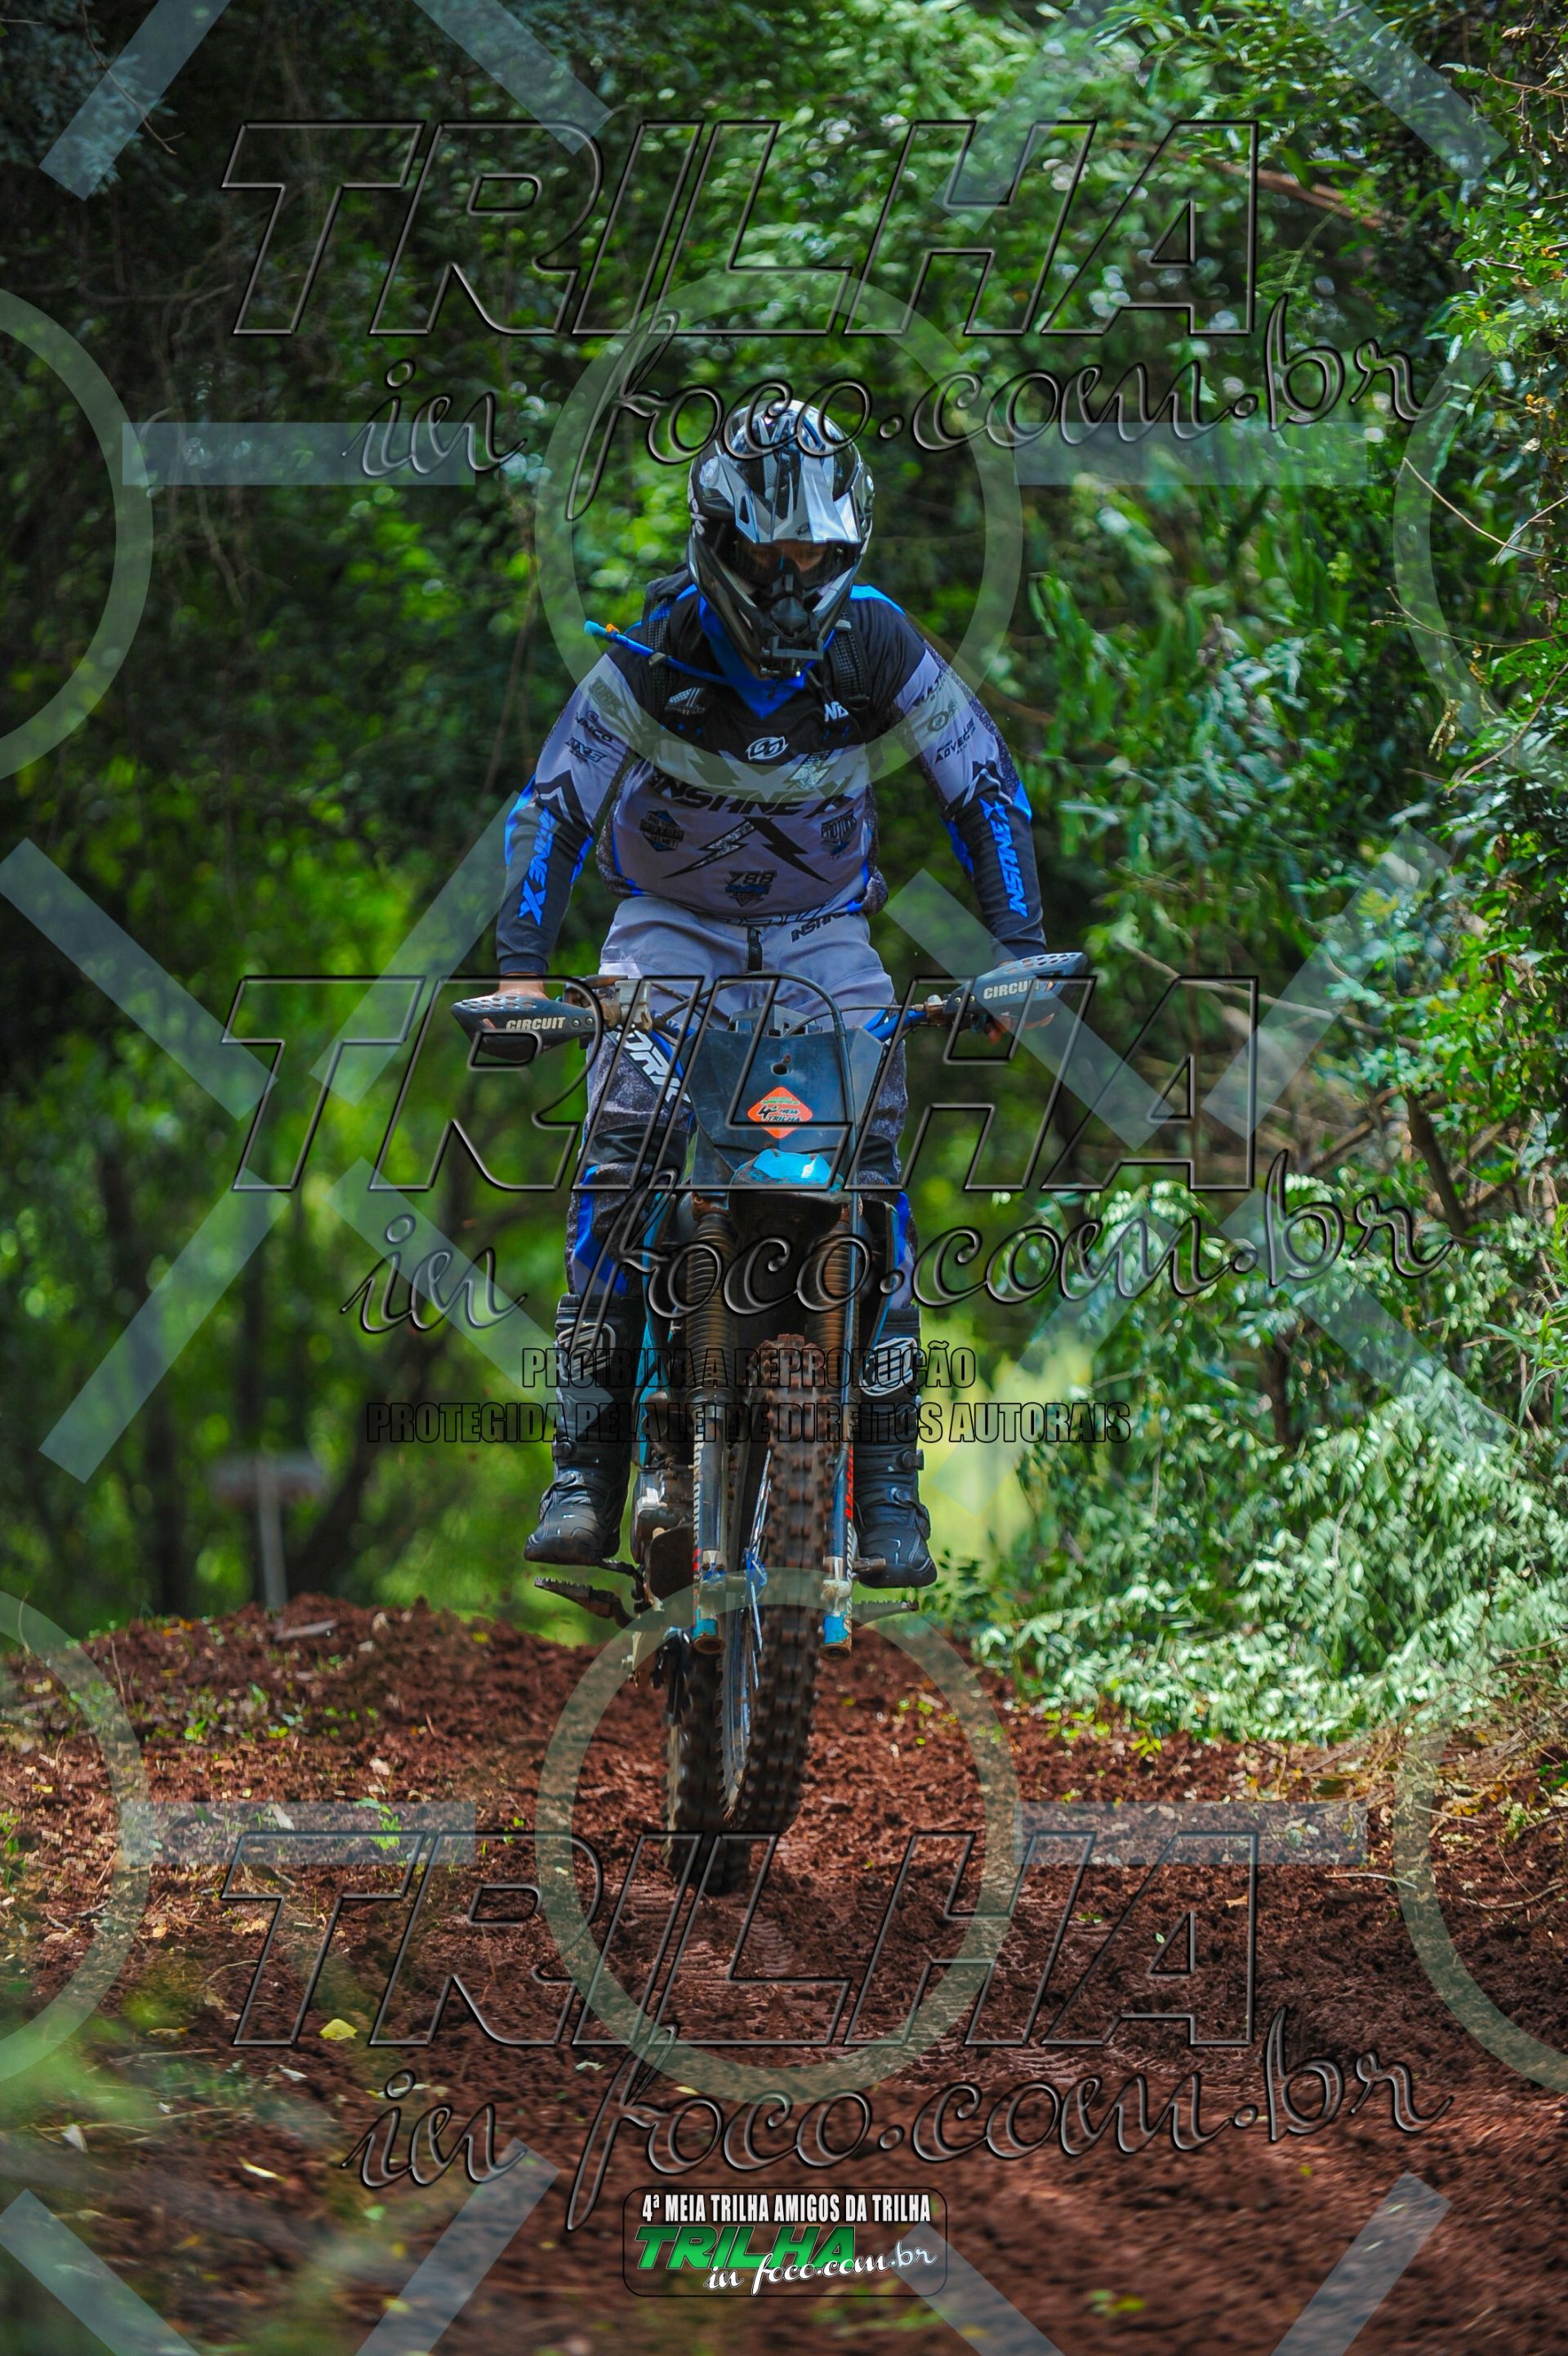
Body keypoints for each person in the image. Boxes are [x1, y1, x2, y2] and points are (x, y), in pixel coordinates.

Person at [491, 396, 1048, 1586]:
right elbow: (554, 802)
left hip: (820, 941)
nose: (791, 587)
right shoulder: (652, 649)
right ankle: (587, 1470)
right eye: (768, 557)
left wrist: (1015, 948)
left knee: (874, 1176)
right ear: (716, 543)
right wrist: (523, 972)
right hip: (669, 936)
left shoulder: (878, 643)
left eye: (816, 558)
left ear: (852, 552)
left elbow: (982, 782)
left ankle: (887, 1487)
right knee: (623, 1153)